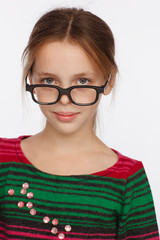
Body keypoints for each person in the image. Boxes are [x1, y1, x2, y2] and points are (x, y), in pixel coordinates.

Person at [0, 7, 159, 240]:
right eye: (49, 80)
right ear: (30, 78)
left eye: (82, 81)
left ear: (109, 80)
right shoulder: (3, 160)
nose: (64, 99)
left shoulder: (127, 180)